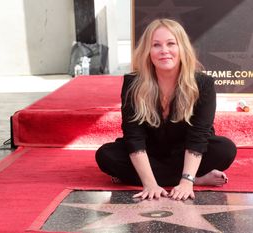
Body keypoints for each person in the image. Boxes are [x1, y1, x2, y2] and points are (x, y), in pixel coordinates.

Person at [95, 18, 237, 201]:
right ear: (148, 51)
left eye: (171, 43)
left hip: (185, 151)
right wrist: (149, 184)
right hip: (149, 151)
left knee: (225, 150)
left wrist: (186, 182)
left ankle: (183, 177)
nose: (164, 51)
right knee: (106, 156)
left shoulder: (203, 84)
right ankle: (197, 178)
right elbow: (134, 136)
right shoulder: (133, 84)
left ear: (182, 48)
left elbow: (198, 136)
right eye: (156, 45)